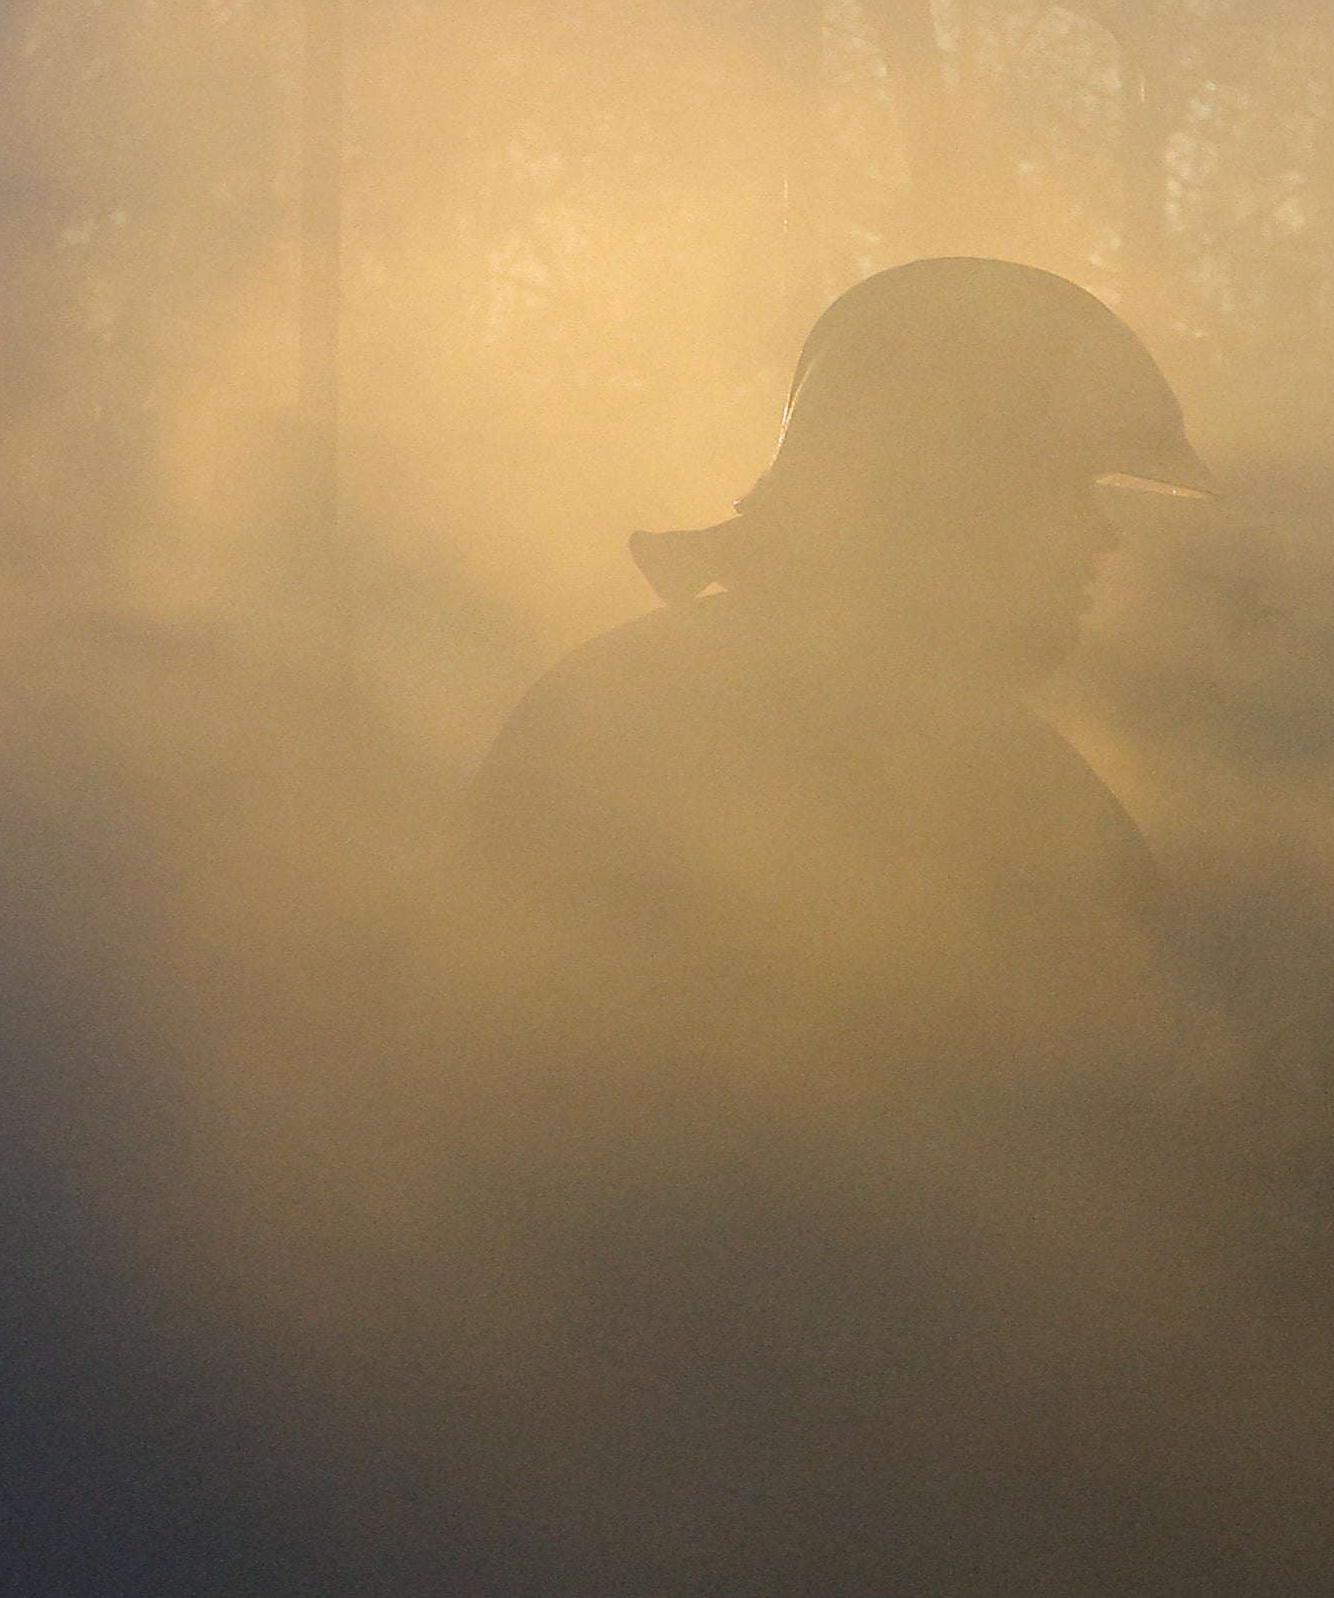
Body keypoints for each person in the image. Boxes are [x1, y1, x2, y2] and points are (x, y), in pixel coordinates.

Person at [470, 257, 1217, 1085]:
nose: (1100, 536)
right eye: (1060, 488)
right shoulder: (992, 785)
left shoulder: (605, 709)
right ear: (945, 493)